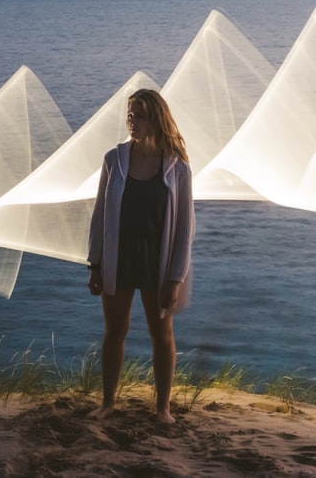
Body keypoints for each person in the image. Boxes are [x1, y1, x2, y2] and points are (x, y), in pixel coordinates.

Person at [87, 89, 195, 424]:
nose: (133, 121)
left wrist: (176, 278)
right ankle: (108, 402)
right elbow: (100, 213)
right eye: (130, 115)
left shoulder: (178, 169)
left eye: (141, 115)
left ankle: (162, 408)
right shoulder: (113, 160)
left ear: (157, 119)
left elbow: (184, 229)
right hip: (118, 256)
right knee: (114, 330)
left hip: (157, 260)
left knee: (161, 333)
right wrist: (95, 262)